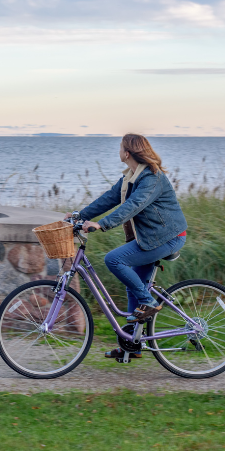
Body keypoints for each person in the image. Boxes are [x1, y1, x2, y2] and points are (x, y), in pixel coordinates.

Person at [65, 133, 187, 359]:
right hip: (149, 238)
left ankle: (149, 302)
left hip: (167, 238)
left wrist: (102, 224)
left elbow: (133, 206)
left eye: (120, 147)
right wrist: (78, 216)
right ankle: (132, 345)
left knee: (114, 260)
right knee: (133, 286)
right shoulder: (131, 177)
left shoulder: (151, 178)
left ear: (127, 152)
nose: (118, 151)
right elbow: (109, 198)